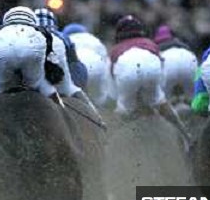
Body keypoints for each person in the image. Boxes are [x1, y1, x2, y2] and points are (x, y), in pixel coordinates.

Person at [109, 15, 190, 147]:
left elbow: (113, 88)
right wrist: (157, 98)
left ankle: (107, 143)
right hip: (151, 66)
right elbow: (162, 70)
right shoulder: (150, 43)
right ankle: (185, 136)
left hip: (127, 70)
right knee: (160, 100)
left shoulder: (115, 50)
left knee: (122, 109)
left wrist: (124, 103)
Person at [0, 6, 64, 104]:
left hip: (2, 63)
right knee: (43, 86)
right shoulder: (42, 32)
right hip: (32, 62)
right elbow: (54, 68)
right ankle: (63, 112)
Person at [34, 8, 104, 125]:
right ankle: (98, 121)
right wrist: (79, 88)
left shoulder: (27, 37)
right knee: (74, 91)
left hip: (35, 82)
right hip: (60, 81)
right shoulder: (63, 37)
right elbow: (77, 68)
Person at [154, 25, 198, 104]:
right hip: (187, 58)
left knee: (163, 101)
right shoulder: (183, 46)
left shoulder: (156, 48)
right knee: (192, 98)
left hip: (166, 61)